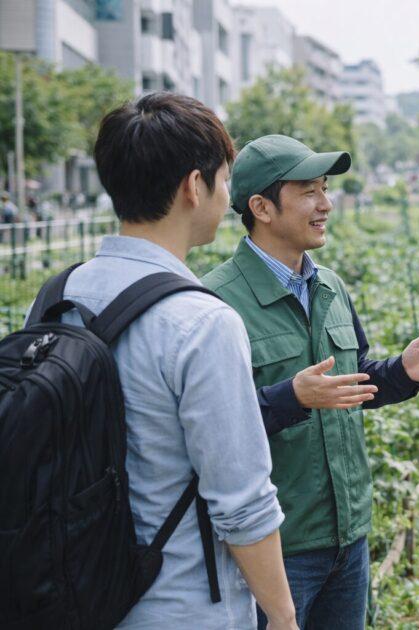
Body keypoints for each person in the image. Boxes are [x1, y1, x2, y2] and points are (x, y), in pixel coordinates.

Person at [202, 134, 419, 630]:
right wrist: (290, 398)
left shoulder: (330, 285)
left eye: (325, 189)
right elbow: (211, 431)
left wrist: (403, 373)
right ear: (261, 207)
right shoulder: (217, 302)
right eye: (308, 191)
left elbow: (355, 381)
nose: (326, 204)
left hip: (348, 537)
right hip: (277, 548)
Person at [52, 93, 298, 629]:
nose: (226, 193)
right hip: (178, 606)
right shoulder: (201, 321)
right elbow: (243, 503)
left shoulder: (57, 295)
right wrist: (281, 616)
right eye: (225, 179)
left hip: (71, 592)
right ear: (195, 186)